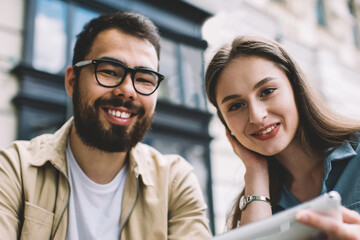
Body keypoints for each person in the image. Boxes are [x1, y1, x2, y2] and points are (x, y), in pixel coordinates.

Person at [0, 12, 212, 239]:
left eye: (144, 79)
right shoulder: (16, 170)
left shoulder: (174, 182)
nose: (128, 91)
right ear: (72, 82)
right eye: (110, 71)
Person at [205, 35, 360, 239]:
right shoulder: (257, 202)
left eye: (267, 91)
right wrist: (255, 172)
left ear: (296, 89)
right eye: (236, 106)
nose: (257, 116)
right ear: (226, 124)